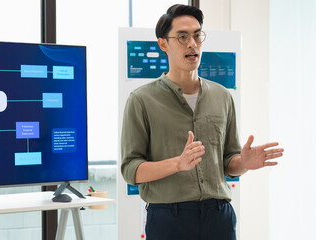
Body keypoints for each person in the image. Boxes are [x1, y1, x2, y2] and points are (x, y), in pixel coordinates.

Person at [121, 4, 284, 240]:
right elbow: (130, 169)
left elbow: (229, 162)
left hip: (219, 217)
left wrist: (244, 163)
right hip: (169, 219)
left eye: (197, 35)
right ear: (163, 44)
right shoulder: (141, 100)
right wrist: (177, 164)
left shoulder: (222, 96)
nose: (192, 44)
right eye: (183, 37)